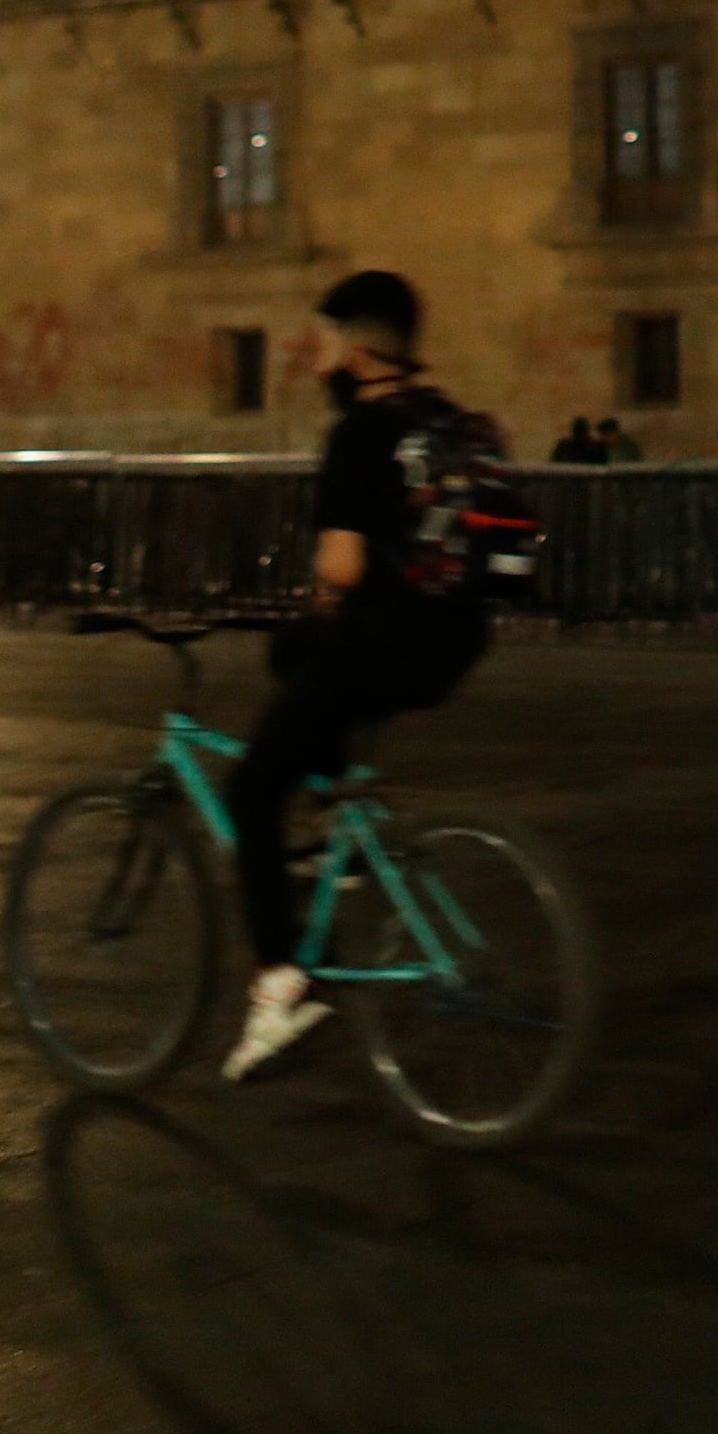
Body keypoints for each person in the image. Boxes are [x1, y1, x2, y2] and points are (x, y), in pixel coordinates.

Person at [222, 267, 493, 1082]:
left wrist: (325, 582)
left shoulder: (359, 434)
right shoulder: (449, 421)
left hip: (381, 640)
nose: (319, 362)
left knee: (247, 791)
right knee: (294, 657)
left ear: (362, 350)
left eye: (328, 345)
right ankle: (333, 827)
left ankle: (278, 987)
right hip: (455, 638)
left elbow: (340, 564)